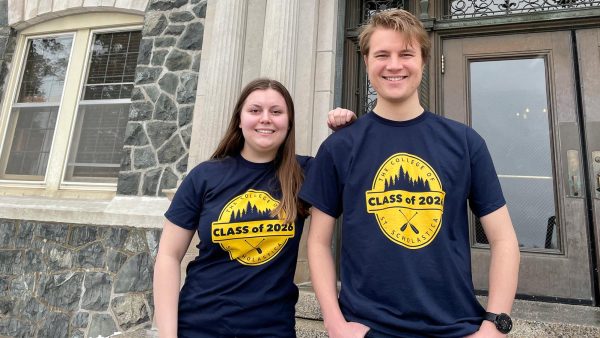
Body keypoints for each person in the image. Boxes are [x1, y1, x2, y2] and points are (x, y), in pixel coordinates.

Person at [299, 9, 520, 338]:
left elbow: (503, 240)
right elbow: (318, 242)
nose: (394, 65)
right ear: (365, 61)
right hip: (367, 328)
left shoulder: (464, 142)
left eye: (406, 54)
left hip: (453, 327)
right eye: (382, 54)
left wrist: (495, 326)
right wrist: (334, 323)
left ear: (423, 60)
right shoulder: (340, 146)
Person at [153, 78, 355, 338]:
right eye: (255, 110)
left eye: (276, 112)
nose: (266, 119)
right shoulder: (204, 176)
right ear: (239, 119)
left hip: (271, 329)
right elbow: (168, 255)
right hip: (199, 326)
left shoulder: (305, 173)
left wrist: (349, 132)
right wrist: (167, 334)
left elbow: (358, 180)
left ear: (289, 122)